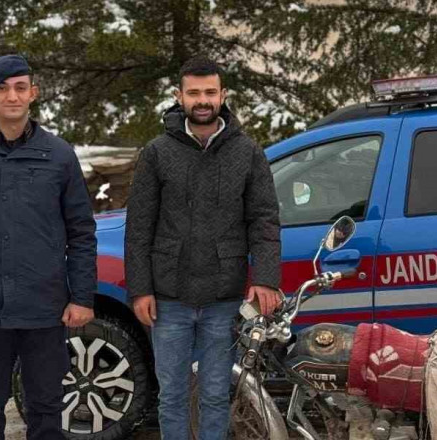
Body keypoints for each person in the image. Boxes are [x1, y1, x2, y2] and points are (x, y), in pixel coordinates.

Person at [125, 56, 283, 440]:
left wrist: (264, 278)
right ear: (179, 97)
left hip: (223, 296)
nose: (202, 100)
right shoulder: (157, 153)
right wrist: (140, 289)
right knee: (173, 396)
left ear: (222, 95)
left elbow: (263, 221)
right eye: (193, 93)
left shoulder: (247, 152)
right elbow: (139, 227)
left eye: (210, 92)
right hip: (169, 297)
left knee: (215, 394)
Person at [0, 54, 97, 440]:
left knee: (46, 409)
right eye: (1, 88)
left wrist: (81, 296)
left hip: (43, 309)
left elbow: (81, 231)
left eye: (19, 87)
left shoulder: (59, 155)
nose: (11, 96)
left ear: (33, 93)